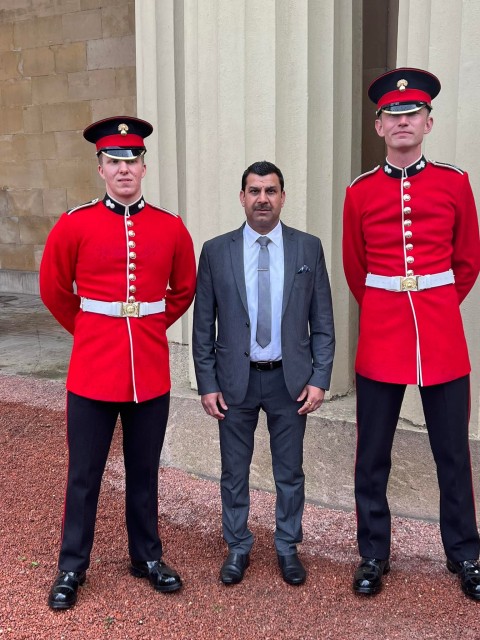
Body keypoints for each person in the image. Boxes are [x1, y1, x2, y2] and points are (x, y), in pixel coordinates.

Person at [40, 116, 196, 610]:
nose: (123, 170)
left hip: (148, 371)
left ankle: (146, 556)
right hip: (93, 370)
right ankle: (72, 565)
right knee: (83, 474)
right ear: (101, 168)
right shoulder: (75, 224)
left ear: (144, 167)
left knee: (144, 471)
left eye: (132, 161)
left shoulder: (170, 227)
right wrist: (89, 330)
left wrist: (148, 324)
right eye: (114, 161)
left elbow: (183, 289)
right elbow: (53, 289)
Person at [342, 68, 480, 600]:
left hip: (441, 337)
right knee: (373, 453)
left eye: (412, 114)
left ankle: (464, 553)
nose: (403, 122)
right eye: (392, 115)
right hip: (383, 335)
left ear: (428, 123)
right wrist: (388, 307)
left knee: (453, 453)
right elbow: (356, 268)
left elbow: (466, 261)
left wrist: (436, 304)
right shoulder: (359, 192)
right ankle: (373, 553)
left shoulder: (455, 183)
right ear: (379, 126)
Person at [192, 161, 335, 586]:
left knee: (289, 471)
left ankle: (288, 546)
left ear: (283, 197)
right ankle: (238, 546)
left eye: (270, 191)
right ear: (242, 197)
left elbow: (323, 321)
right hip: (234, 381)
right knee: (234, 471)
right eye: (254, 191)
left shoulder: (308, 248)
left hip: (290, 382)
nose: (262, 199)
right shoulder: (216, 251)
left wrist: (320, 377)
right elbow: (203, 325)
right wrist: (207, 383)